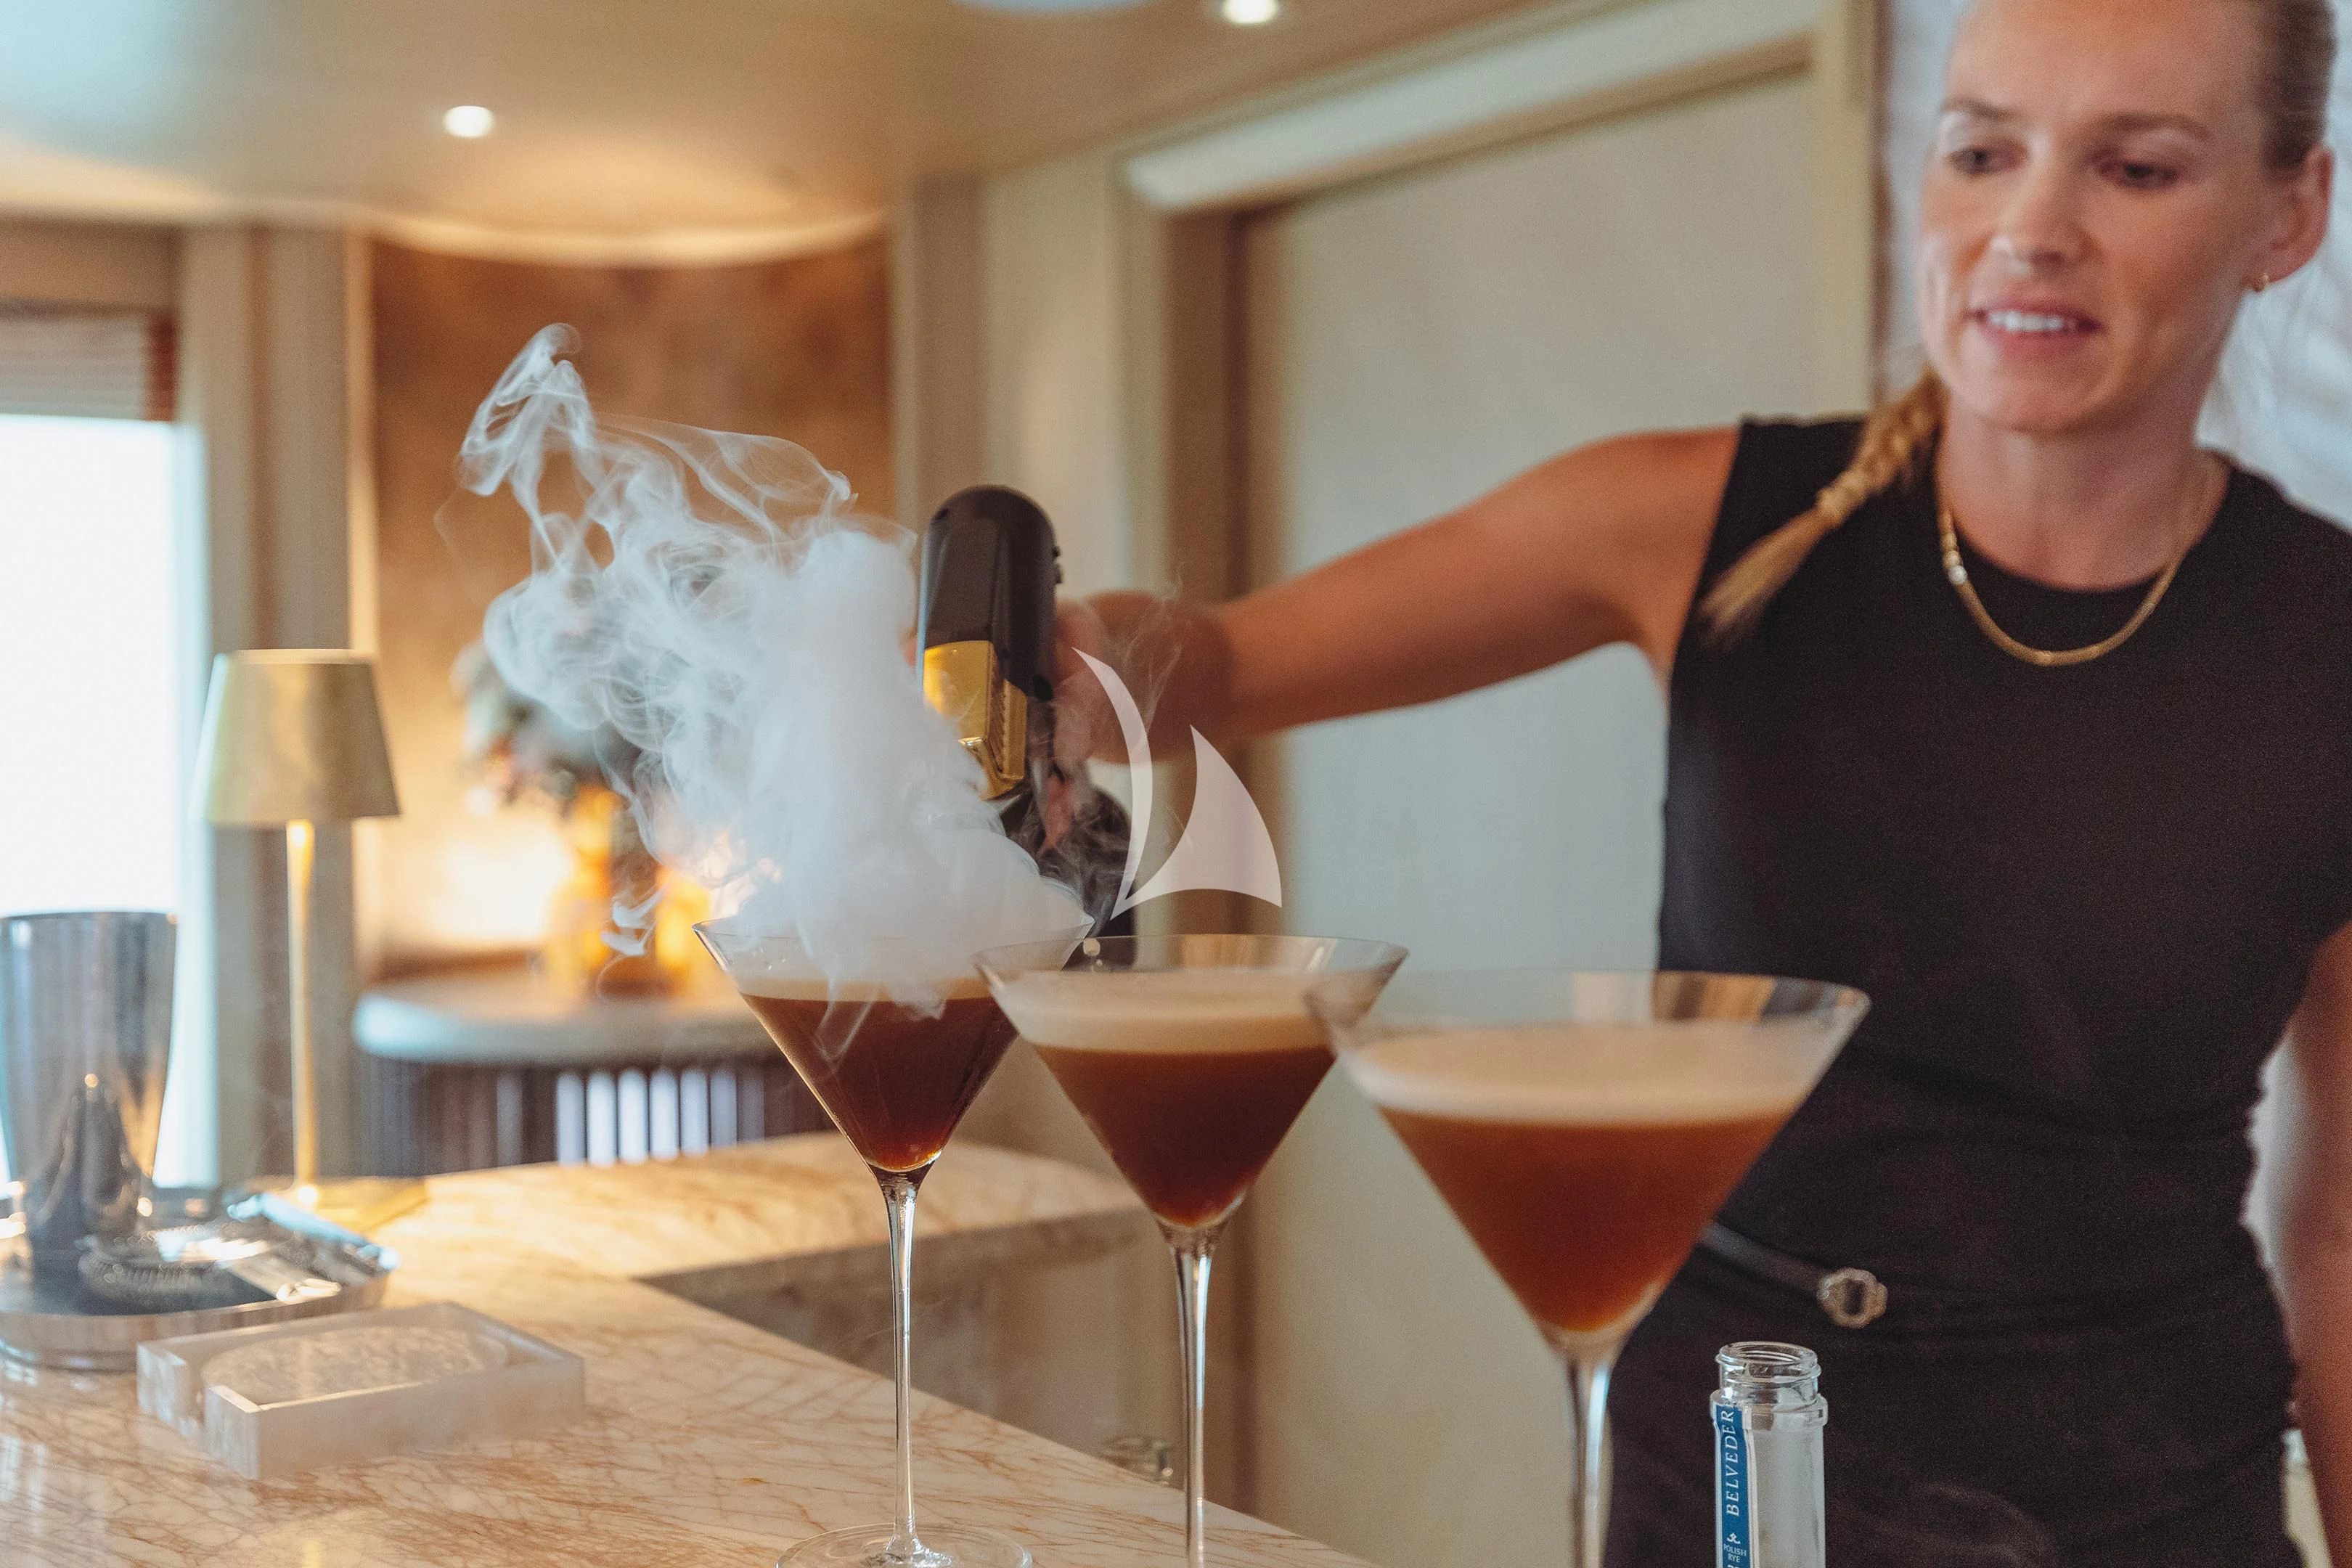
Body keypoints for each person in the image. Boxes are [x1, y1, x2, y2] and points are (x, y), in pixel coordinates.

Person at [1055, 0, 2346, 1559]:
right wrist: (1068, 657)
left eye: (2133, 169)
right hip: (1731, 1468)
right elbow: (1223, 666)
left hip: (2153, 1500)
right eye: (1981, 151)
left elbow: (2342, 1227)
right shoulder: (1693, 519)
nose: (2029, 228)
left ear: (2289, 216)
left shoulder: (2325, 642)